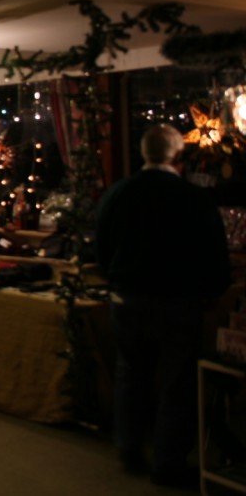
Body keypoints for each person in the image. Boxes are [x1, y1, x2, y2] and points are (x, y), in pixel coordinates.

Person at [95, 124, 231, 487]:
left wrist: (116, 279)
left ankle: (129, 445)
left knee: (130, 372)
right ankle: (168, 461)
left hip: (128, 298)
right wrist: (214, 290)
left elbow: (101, 247)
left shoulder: (118, 193)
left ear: (145, 153)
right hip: (178, 300)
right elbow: (214, 252)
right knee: (177, 381)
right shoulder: (193, 198)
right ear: (178, 156)